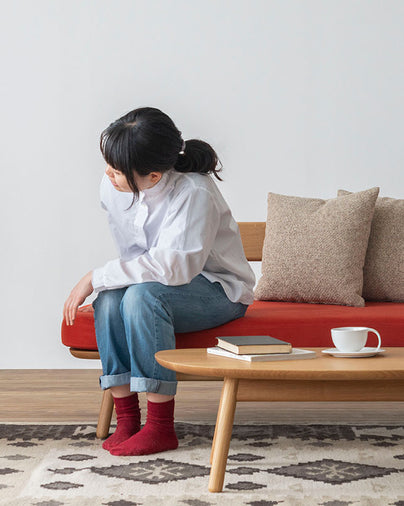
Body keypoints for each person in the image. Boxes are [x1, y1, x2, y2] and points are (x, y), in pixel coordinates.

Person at [63, 107, 255, 456]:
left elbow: (174, 269)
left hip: (218, 290)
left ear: (153, 176)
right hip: (157, 283)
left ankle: (161, 427)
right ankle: (127, 419)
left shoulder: (194, 193)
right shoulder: (114, 186)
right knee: (108, 299)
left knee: (140, 298)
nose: (108, 173)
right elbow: (135, 258)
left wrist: (95, 275)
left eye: (118, 169)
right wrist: (104, 283)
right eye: (108, 162)